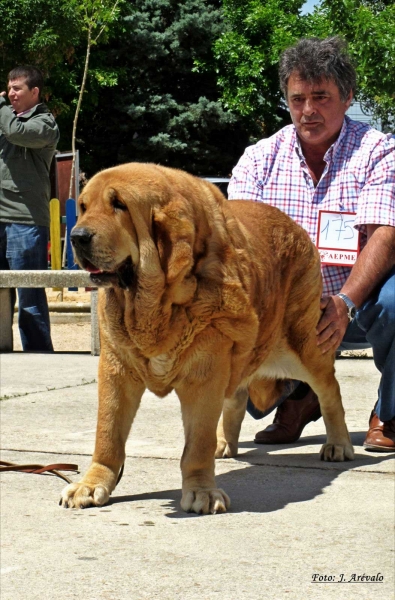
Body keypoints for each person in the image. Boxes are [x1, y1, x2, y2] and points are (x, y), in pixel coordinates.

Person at [228, 37, 395, 452]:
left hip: (357, 302)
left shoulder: (380, 151)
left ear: (348, 96)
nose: (308, 111)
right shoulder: (258, 158)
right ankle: (301, 398)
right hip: (281, 305)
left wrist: (344, 303)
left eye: (321, 97)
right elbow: (237, 242)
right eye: (297, 98)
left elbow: (385, 236)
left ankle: (390, 412)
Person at [0, 66, 60, 351]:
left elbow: (15, 133)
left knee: (29, 299)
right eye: (9, 88)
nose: (11, 94)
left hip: (25, 221)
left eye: (17, 89)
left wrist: (0, 105)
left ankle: (39, 358)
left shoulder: (45, 124)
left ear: (34, 92)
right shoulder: (6, 119)